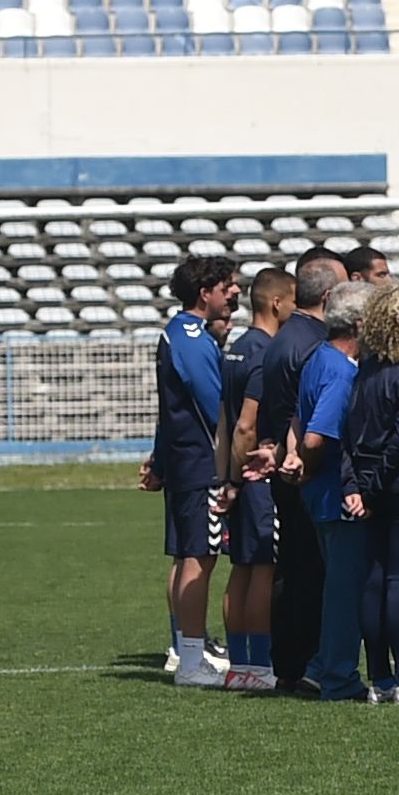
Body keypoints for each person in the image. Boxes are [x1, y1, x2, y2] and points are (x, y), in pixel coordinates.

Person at [320, 278, 399, 703]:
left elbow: (346, 435)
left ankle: (382, 678)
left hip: (371, 491)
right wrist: (369, 490)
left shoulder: (365, 375)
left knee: (375, 581)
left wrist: (355, 487)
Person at [151, 252, 242, 686]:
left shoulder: (181, 333)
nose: (235, 292)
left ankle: (185, 649)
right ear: (205, 293)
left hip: (184, 459)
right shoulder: (190, 336)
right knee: (199, 558)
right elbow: (215, 404)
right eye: (227, 287)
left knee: (187, 555)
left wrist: (159, 459)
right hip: (202, 462)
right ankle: (191, 657)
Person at [274, 277, 366, 698]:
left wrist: (292, 457)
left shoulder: (317, 357)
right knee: (345, 591)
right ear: (360, 323)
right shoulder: (342, 371)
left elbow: (297, 420)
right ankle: (337, 674)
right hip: (334, 494)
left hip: (318, 495)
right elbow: (316, 435)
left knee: (334, 587)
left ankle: (320, 666)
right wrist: (306, 466)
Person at [214, 263, 303, 692]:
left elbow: (225, 420)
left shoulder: (235, 348)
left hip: (237, 474)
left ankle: (239, 663)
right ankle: (259, 663)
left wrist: (225, 479)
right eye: (293, 301)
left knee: (243, 568)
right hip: (255, 473)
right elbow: (246, 425)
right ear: (277, 302)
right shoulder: (266, 353)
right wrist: (238, 479)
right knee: (264, 568)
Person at [260, 243, 345, 693]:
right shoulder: (315, 345)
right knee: (313, 572)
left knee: (292, 568)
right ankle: (310, 662)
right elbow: (309, 418)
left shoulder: (283, 338)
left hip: (285, 467)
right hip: (306, 469)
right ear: (329, 296)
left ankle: (288, 664)